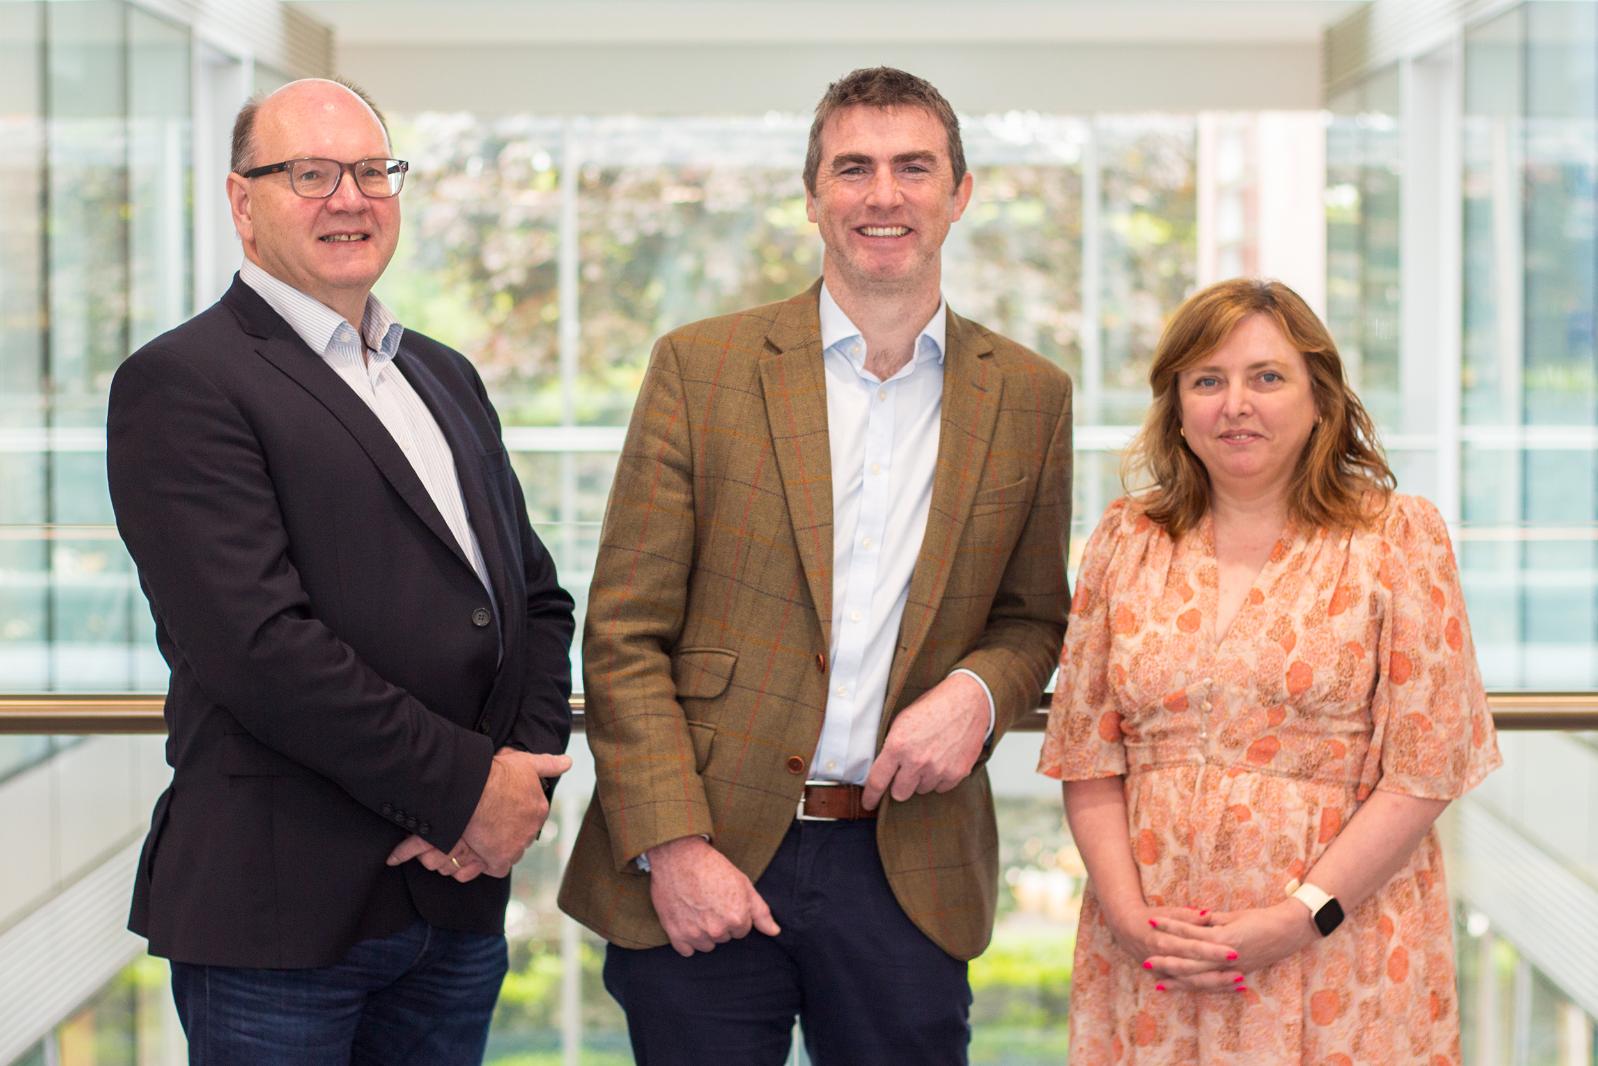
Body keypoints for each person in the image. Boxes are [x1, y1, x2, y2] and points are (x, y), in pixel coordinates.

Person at [557, 66, 1073, 1065]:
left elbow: (1032, 618)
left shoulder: (1030, 395)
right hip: (706, 852)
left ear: (959, 194)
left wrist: (976, 693)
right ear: (811, 196)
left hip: (908, 865)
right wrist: (672, 843)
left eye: (913, 168)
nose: (884, 195)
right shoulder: (699, 368)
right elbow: (623, 634)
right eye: (853, 168)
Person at [106, 78, 574, 1065]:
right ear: (243, 202)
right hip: (282, 920)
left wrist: (516, 787)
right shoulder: (182, 382)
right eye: (311, 175)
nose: (350, 198)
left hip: (453, 901)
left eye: (371, 171)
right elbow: (259, 649)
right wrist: (467, 792)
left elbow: (531, 600)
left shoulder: (442, 374)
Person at [1039, 277, 1501, 1063]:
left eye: (1267, 377)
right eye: (1207, 381)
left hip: (1339, 947)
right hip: (1156, 958)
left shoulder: (1397, 536)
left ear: (1320, 398)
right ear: (1176, 406)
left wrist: (1300, 917)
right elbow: (1087, 755)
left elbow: (1425, 769)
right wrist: (1129, 919)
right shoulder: (1125, 539)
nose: (1235, 405)